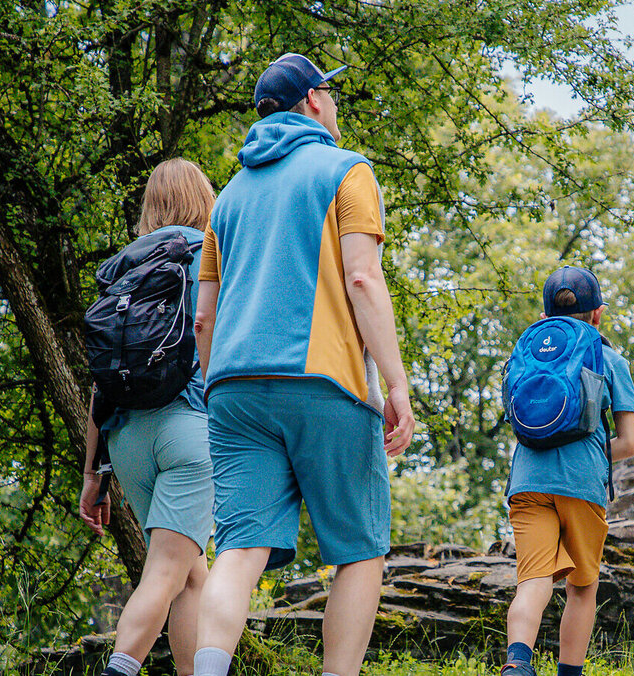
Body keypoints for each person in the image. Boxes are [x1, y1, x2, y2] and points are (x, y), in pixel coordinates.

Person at [189, 53, 416, 676]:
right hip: (323, 381)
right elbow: (364, 279)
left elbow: (202, 318)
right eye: (332, 95)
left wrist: (215, 387)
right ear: (314, 100)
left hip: (233, 388)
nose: (336, 106)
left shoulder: (227, 200)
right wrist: (395, 385)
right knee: (358, 550)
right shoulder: (348, 171)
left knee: (238, 550)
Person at [78, 158, 219, 676]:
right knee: (164, 571)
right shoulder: (209, 253)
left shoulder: (122, 269)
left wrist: (93, 473)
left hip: (130, 440)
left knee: (189, 577)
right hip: (191, 429)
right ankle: (119, 669)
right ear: (205, 200)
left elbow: (101, 379)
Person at [499, 267, 634, 676]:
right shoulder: (609, 358)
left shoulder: (525, 356)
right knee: (581, 588)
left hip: (527, 482)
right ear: (597, 314)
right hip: (582, 485)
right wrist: (594, 452)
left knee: (533, 579)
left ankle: (518, 662)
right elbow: (630, 443)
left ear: (545, 317)